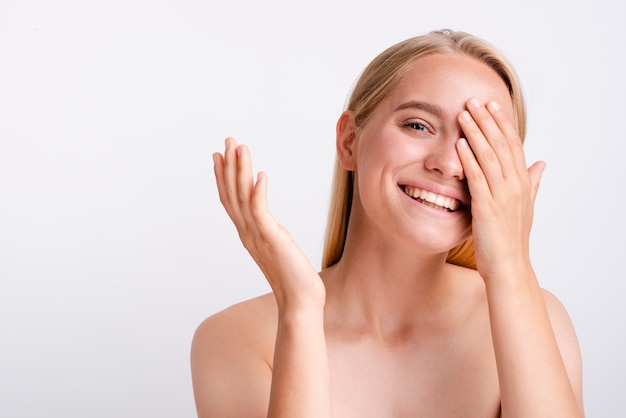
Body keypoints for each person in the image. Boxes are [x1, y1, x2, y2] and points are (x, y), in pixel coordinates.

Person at [191, 29, 584, 417]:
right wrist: (301, 309)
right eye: (418, 125)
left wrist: (511, 268)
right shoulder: (236, 338)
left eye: (479, 143)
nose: (448, 164)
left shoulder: (538, 318)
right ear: (349, 141)